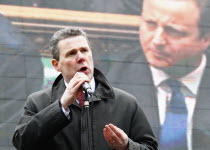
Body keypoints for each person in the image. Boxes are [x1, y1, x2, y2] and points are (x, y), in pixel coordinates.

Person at [12, 27, 158, 150]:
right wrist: (61, 106)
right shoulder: (38, 102)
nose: (81, 57)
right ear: (56, 65)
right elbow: (21, 143)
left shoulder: (126, 103)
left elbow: (150, 147)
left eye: (84, 50)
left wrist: (127, 146)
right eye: (71, 53)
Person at [107, 0, 210, 149]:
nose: (157, 41)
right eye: (150, 24)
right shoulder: (108, 85)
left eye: (173, 31)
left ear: (205, 38)